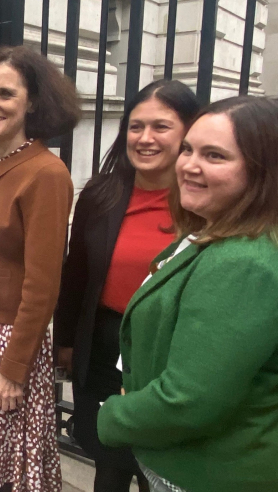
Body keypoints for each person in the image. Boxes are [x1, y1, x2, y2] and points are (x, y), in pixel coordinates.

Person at [98, 96, 278, 492]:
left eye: (214, 156)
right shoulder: (213, 231)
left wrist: (112, 415)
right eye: (188, 150)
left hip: (209, 471)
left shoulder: (244, 262)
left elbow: (189, 400)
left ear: (262, 171)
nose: (189, 166)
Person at [53, 80, 200, 492]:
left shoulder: (206, 202)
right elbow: (75, 274)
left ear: (189, 131)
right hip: (103, 345)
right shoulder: (101, 194)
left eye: (161, 126)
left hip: (171, 354)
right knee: (109, 457)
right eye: (136, 126)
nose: (145, 138)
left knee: (160, 465)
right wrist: (64, 341)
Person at [0, 46, 79, 492]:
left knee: (19, 463)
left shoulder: (45, 172)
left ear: (34, 101)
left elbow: (43, 286)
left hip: (9, 337)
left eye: (6, 93)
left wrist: (14, 367)